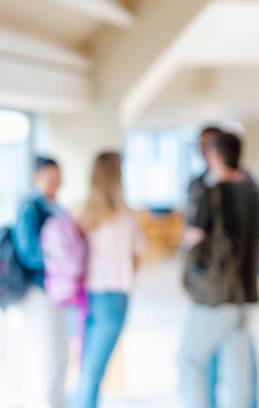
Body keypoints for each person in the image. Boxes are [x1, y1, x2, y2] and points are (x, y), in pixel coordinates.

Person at [178, 132, 259, 408]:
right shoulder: (254, 192)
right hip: (245, 293)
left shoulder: (212, 192)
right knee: (237, 370)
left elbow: (194, 239)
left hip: (216, 293)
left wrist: (183, 277)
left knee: (189, 360)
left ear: (214, 155)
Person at [70, 151, 146, 408]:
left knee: (85, 368)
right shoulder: (127, 216)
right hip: (114, 298)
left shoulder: (79, 212)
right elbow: (137, 260)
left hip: (82, 297)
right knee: (93, 372)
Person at [11, 156, 70, 408]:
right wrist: (62, 259)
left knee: (59, 350)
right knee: (43, 351)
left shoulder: (57, 207)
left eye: (58, 177)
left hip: (58, 291)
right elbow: (29, 252)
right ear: (37, 177)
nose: (55, 183)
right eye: (49, 177)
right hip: (38, 290)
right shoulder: (29, 208)